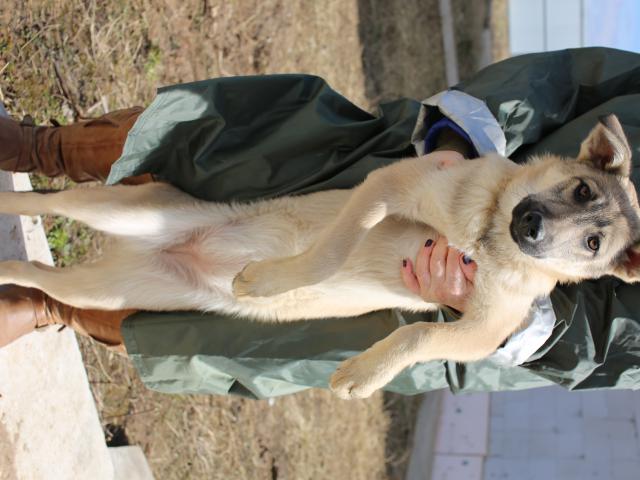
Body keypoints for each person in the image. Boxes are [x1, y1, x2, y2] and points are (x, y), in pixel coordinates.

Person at [1, 47, 639, 398]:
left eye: (589, 234)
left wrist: (517, 320)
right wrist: (464, 136)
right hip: (443, 165)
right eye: (579, 194)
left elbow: (610, 347)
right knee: (234, 147)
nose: (555, 223)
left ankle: (45, 304)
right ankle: (41, 151)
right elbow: (563, 83)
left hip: (424, 298)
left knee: (224, 328)